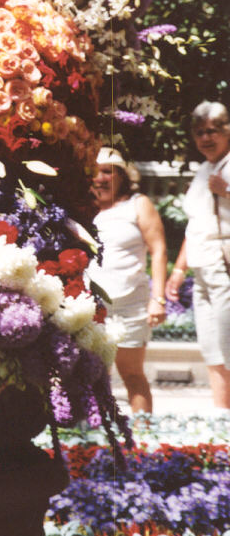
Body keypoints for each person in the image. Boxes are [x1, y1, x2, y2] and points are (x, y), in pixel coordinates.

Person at [87, 147, 168, 414]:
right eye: (95, 172)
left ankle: (143, 441)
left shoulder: (138, 204)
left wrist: (158, 299)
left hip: (131, 304)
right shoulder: (82, 208)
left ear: (121, 176)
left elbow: (158, 250)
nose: (100, 178)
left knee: (132, 375)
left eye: (108, 172)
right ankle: (93, 443)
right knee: (93, 377)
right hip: (91, 307)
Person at [165, 101, 230, 412]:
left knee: (229, 346)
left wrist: (228, 192)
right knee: (212, 348)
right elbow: (195, 225)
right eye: (200, 132)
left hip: (226, 265)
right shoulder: (204, 169)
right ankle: (221, 420)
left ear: (227, 131)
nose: (206, 138)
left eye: (213, 131)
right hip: (202, 268)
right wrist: (178, 270)